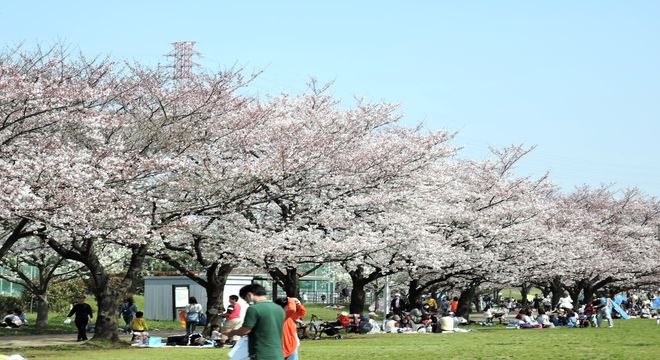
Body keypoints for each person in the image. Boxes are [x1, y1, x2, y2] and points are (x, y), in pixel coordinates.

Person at [224, 283, 285, 360]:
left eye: (245, 299)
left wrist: (232, 332)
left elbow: (245, 330)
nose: (246, 302)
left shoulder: (254, 309)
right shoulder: (279, 309)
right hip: (278, 353)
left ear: (249, 295)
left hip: (260, 353)